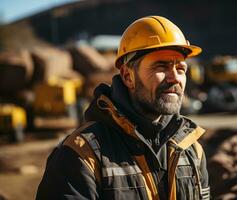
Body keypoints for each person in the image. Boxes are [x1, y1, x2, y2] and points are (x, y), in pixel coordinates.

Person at [36, 15, 210, 200]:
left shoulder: (192, 151)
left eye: (181, 69)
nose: (174, 78)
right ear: (128, 76)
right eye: (161, 67)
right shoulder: (81, 155)